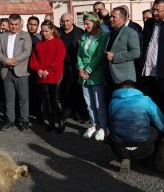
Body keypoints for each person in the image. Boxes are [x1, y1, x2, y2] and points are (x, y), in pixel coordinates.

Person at [108, 80, 164, 173]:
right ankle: (150, 160)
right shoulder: (146, 100)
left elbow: (112, 122)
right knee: (155, 131)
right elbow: (159, 120)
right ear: (135, 89)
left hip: (119, 148)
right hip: (143, 149)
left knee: (113, 134)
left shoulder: (113, 102)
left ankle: (125, 157)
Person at [0, 14, 32, 131]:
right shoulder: (2, 35)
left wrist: (14, 61)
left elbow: (27, 52)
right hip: (6, 71)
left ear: (20, 24)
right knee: (9, 98)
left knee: (23, 98)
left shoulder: (25, 36)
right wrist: (5, 60)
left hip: (21, 71)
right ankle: (9, 120)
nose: (14, 27)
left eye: (16, 24)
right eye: (12, 24)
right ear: (8, 23)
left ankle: (24, 120)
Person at [30, 20, 66, 133]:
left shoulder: (58, 42)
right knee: (46, 100)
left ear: (52, 30)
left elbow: (59, 59)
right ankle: (51, 123)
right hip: (42, 76)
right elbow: (34, 60)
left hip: (55, 75)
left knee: (55, 99)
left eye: (47, 31)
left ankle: (61, 122)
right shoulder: (40, 44)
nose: (44, 33)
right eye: (43, 31)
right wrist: (38, 69)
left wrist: (48, 70)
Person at [77, 12, 108, 141]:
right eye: (84, 23)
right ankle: (94, 125)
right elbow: (79, 54)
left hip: (96, 74)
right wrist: (80, 67)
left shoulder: (102, 36)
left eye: (87, 23)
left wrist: (88, 70)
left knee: (99, 103)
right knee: (89, 103)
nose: (85, 26)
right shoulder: (84, 36)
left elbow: (99, 56)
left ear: (95, 23)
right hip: (83, 74)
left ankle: (103, 127)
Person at [59, 13, 87, 122]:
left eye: (67, 21)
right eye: (63, 21)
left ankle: (79, 112)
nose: (65, 23)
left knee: (78, 90)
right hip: (62, 66)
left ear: (72, 21)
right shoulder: (58, 32)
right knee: (65, 90)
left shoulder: (80, 32)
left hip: (76, 66)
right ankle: (67, 110)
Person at [105, 7, 140, 90]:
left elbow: (136, 53)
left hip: (124, 79)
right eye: (110, 16)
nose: (110, 19)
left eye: (114, 17)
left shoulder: (130, 33)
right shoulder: (110, 34)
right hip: (110, 76)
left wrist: (114, 57)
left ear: (122, 19)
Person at [141, 0, 164, 112]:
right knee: (150, 105)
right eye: (153, 9)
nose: (154, 13)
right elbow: (144, 45)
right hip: (147, 72)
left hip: (161, 73)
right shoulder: (149, 23)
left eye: (157, 10)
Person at [27, 16, 43, 124]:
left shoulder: (41, 39)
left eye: (34, 25)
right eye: (30, 24)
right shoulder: (22, 37)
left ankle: (39, 116)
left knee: (38, 95)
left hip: (37, 71)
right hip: (24, 71)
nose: (32, 27)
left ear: (38, 26)